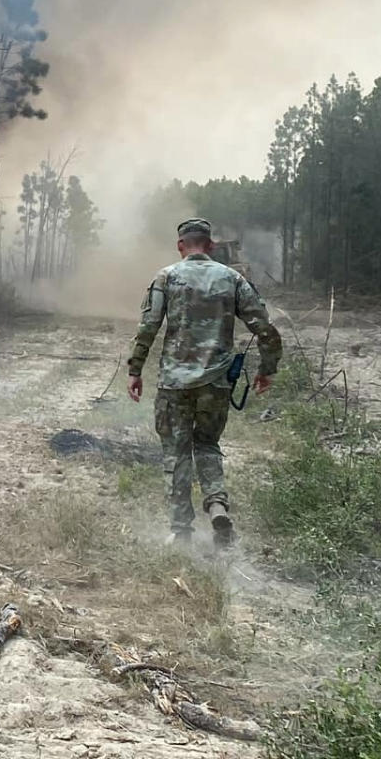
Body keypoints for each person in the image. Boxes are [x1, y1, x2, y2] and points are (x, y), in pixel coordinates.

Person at [127, 217, 283, 547]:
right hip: (215, 384)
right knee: (208, 445)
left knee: (176, 453)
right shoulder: (233, 278)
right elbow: (265, 328)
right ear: (211, 245)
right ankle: (216, 505)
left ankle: (181, 531)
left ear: (181, 245)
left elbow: (148, 327)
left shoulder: (166, 277)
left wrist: (135, 369)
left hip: (175, 384)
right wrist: (266, 369)